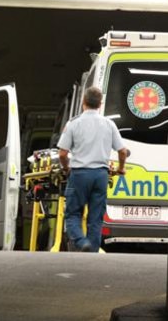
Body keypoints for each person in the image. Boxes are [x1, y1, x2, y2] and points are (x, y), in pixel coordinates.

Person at [57, 87, 128, 252]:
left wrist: (66, 168)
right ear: (100, 104)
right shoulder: (109, 124)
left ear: (83, 102)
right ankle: (93, 254)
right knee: (96, 218)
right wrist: (121, 168)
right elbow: (122, 151)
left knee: (73, 214)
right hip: (101, 176)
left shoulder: (73, 124)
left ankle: (82, 243)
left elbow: (62, 154)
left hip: (79, 174)